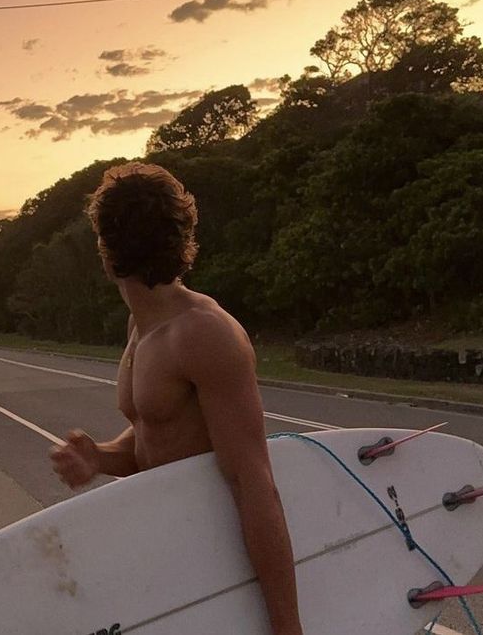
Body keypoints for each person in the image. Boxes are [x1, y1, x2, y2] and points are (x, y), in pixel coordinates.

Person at [49, 161, 303, 635]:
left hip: (218, 562)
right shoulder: (142, 327)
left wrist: (287, 629)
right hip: (165, 548)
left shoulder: (204, 334)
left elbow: (255, 484)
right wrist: (100, 457)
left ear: (104, 250)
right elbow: (158, 433)